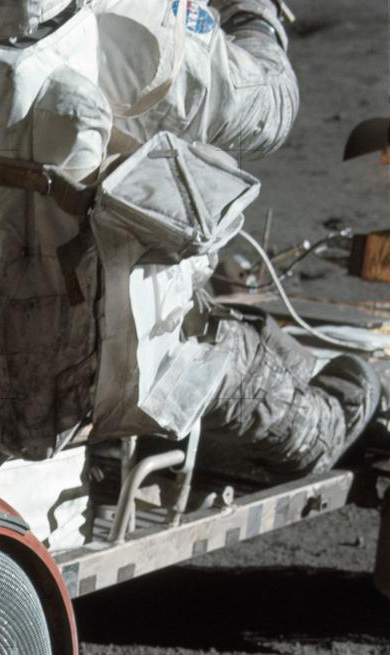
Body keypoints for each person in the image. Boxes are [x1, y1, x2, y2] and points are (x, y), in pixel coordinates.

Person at [99, 0, 387, 481]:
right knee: (326, 412)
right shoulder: (111, 20)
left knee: (263, 346)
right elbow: (263, 101)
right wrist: (254, 14)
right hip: (119, 349)